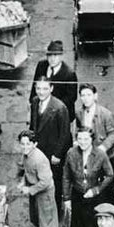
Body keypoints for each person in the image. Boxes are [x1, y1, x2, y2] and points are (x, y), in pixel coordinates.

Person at [63, 127, 114, 227]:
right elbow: (66, 177)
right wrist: (66, 199)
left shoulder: (100, 155)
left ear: (92, 139)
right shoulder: (71, 153)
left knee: (94, 222)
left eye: (86, 139)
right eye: (79, 138)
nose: (82, 142)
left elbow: (109, 175)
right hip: (78, 194)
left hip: (94, 197)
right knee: (79, 223)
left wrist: (96, 190)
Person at [17, 130, 58, 227]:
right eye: (22, 144)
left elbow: (46, 182)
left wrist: (30, 189)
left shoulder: (39, 159)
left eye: (28, 143)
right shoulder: (27, 155)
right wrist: (23, 182)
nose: (25, 146)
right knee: (35, 218)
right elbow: (27, 172)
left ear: (35, 144)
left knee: (47, 224)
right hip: (35, 192)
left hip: (44, 194)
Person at [30, 77, 72, 215]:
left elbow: (65, 133)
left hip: (53, 153)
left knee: (54, 181)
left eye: (45, 89)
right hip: (39, 150)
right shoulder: (35, 102)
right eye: (38, 88)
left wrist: (58, 154)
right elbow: (33, 125)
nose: (41, 92)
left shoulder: (60, 108)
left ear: (51, 89)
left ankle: (54, 210)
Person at [29, 41, 78, 123]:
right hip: (42, 111)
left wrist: (51, 107)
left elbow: (71, 97)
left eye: (55, 55)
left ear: (61, 56)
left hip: (61, 115)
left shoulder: (69, 74)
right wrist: (32, 103)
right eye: (49, 55)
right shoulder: (41, 66)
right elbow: (35, 85)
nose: (52, 59)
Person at [75, 83, 114, 172]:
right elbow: (77, 130)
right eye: (83, 95)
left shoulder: (106, 114)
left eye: (89, 95)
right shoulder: (79, 113)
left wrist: (103, 147)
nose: (86, 98)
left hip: (106, 156)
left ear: (95, 96)